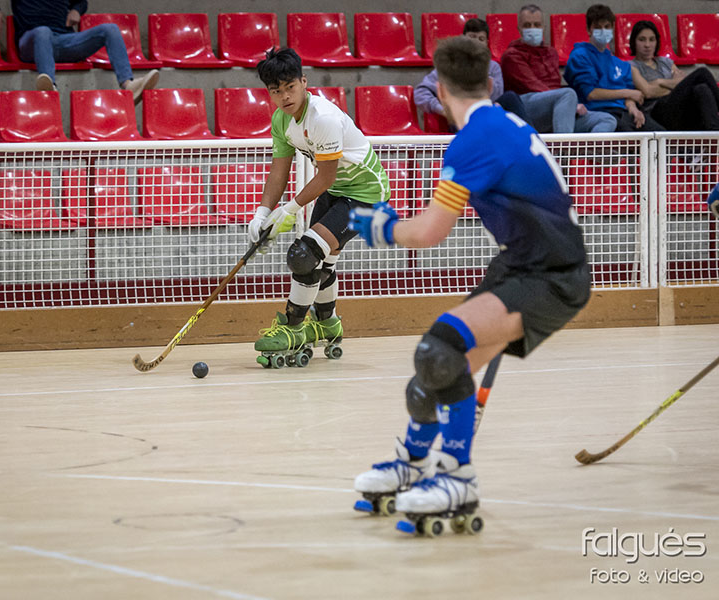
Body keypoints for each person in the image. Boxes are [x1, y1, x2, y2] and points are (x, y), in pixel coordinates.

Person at [348, 36, 591, 529]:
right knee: (433, 375)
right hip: (524, 264)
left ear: (439, 88)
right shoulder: (505, 122)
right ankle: (413, 464)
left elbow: (429, 233)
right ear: (489, 82)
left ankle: (457, 476)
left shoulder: (475, 138)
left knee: (438, 351)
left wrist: (382, 228)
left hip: (550, 275)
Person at [248, 48, 391, 368]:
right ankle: (327, 324)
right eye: (276, 91)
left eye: (290, 87)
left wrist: (288, 210)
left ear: (304, 82)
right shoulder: (281, 120)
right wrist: (262, 213)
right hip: (336, 191)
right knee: (319, 261)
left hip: (367, 195)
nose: (284, 96)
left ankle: (292, 328)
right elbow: (279, 171)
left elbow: (325, 176)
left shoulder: (322, 118)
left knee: (303, 254)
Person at [0, 0, 159, 103]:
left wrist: (76, 10)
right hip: (31, 41)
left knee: (110, 29)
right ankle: (49, 88)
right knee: (43, 31)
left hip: (63, 40)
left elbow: (81, 1)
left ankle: (128, 85)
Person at [501, 4, 616, 133]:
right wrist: (570, 102)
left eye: (537, 25)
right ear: (519, 28)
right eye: (527, 25)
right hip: (526, 107)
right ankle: (563, 145)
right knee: (567, 94)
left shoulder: (551, 52)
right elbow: (533, 85)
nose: (533, 29)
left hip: (557, 105)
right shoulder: (511, 55)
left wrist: (568, 104)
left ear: (543, 27)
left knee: (607, 119)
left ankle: (578, 146)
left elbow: (555, 86)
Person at [415, 18, 530, 131]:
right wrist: (442, 109)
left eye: (481, 39)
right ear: (463, 39)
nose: (476, 42)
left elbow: (497, 96)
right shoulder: (450, 66)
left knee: (510, 97)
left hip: (488, 112)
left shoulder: (493, 67)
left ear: (486, 43)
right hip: (461, 116)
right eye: (472, 37)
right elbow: (420, 92)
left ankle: (531, 136)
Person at [564, 4, 663, 132]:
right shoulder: (580, 55)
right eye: (598, 27)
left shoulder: (619, 63)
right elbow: (590, 94)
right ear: (589, 30)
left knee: (660, 133)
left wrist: (633, 108)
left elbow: (629, 94)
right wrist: (627, 93)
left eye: (607, 27)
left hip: (624, 112)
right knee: (629, 137)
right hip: (598, 112)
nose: (603, 31)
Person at [629, 20, 719, 131]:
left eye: (652, 40)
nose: (647, 45)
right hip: (656, 111)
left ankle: (715, 132)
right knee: (701, 73)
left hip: (679, 109)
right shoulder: (631, 66)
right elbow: (648, 92)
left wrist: (660, 82)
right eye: (642, 40)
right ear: (634, 42)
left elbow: (683, 82)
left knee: (701, 88)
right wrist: (674, 85)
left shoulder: (666, 62)